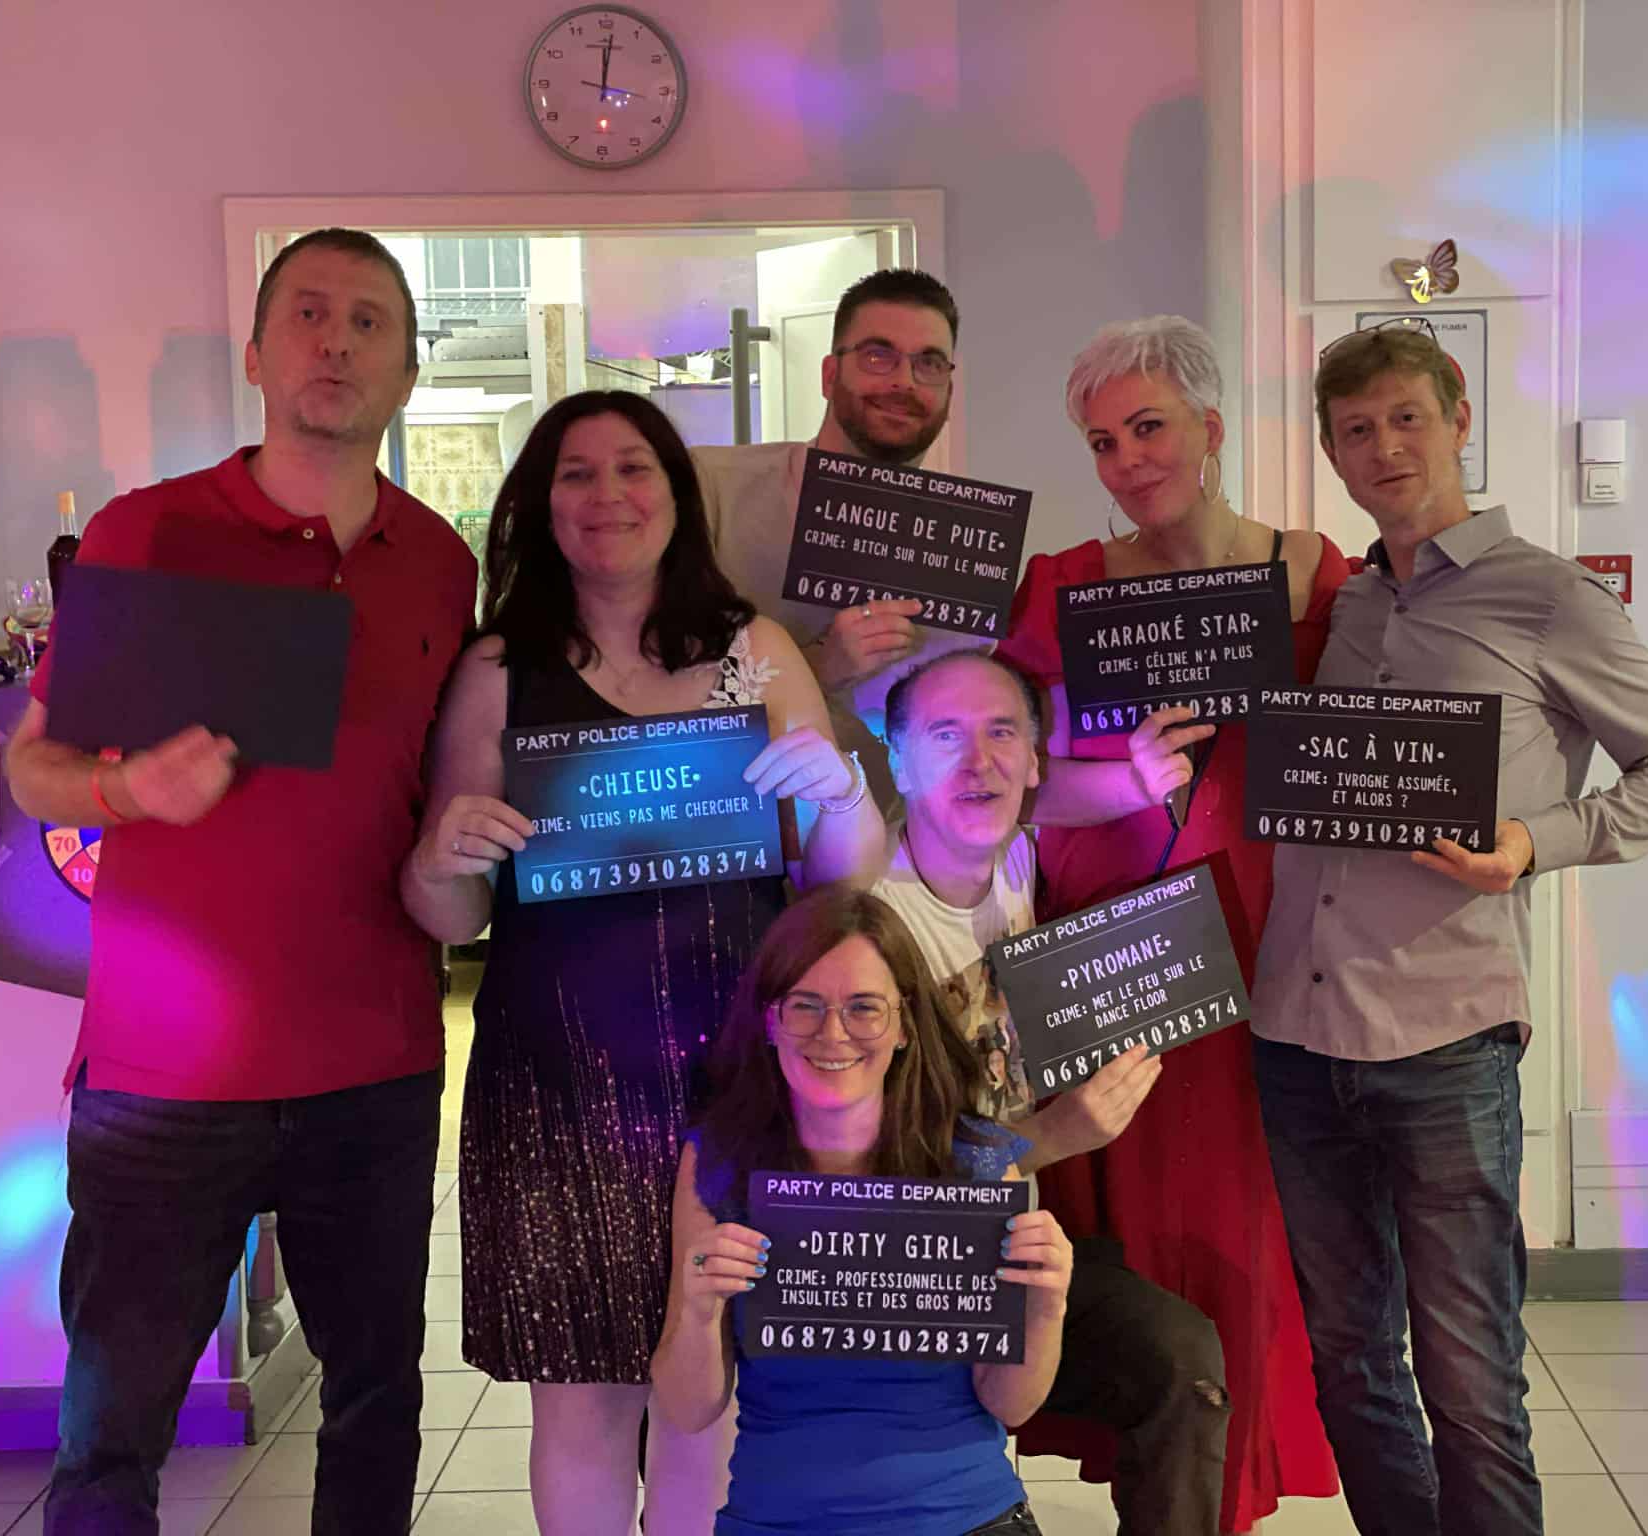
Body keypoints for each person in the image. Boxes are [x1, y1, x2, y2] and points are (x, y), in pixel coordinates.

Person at [5, 228, 478, 1534]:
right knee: (111, 1433)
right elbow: (33, 767)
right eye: (309, 314)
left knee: (374, 1403)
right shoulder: (149, 530)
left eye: (370, 322)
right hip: (164, 1075)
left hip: (373, 1062)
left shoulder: (440, 564)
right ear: (260, 354)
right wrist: (126, 793)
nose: (338, 342)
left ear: (407, 372)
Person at [1252, 319, 1648, 1536]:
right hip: (1295, 1033)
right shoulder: (1345, 603)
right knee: (1349, 1365)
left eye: (1405, 419)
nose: (1383, 448)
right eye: (1355, 431)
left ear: (1459, 421)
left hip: (1444, 1041)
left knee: (1467, 1379)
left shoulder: (1547, 596)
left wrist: (1530, 841)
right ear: (1331, 453)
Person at [400, 390, 884, 1534]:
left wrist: (840, 792)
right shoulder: (499, 669)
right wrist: (439, 853)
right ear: (538, 505)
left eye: (633, 469)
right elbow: (447, 913)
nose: (606, 495)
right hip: (555, 1083)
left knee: (704, 1397)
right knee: (578, 1400)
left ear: (675, 496)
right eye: (575, 473)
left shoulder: (753, 652)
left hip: (731, 1080)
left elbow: (845, 879)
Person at [994, 314, 1347, 1532]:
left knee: (1246, 1229)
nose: (1127, 461)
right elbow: (1011, 780)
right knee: (1128, 1237)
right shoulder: (1061, 587)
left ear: (1209, 426)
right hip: (1109, 954)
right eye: (1101, 441)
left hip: (1261, 950)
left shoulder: (1315, 575)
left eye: (1147, 427)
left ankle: (1221, 1498)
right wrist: (1117, 779)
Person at [873, 646, 1240, 1535]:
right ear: (895, 762)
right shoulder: (864, 920)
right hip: (901, 1282)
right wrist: (1052, 1137)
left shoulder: (1015, 859)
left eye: (1002, 733)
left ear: (1035, 761)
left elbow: (1045, 793)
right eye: (946, 736)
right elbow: (872, 1181)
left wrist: (1139, 781)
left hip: (1015, 1255)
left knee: (1180, 1361)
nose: (979, 760)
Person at [650, 887, 1072, 1535]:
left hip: (965, 1518)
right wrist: (699, 1312)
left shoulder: (977, 1162)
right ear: (769, 1020)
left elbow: (1010, 1406)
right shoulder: (719, 1161)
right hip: (781, 1522)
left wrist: (1045, 1310)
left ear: (904, 1027)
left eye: (864, 1008)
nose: (833, 1033)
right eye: (805, 1006)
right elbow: (688, 1408)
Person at [695, 268, 979, 814]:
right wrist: (818, 666)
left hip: (900, 844)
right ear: (829, 375)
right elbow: (639, 691)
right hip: (741, 834)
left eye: (929, 363)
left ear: (948, 388)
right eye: (878, 356)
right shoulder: (711, 489)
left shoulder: (968, 550)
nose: (904, 382)